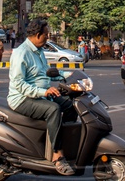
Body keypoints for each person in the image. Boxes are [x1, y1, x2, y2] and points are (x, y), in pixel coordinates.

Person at [7, 18, 75, 176]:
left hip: (41, 93)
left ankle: (62, 141)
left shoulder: (40, 52)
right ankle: (57, 155)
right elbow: (18, 84)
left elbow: (47, 72)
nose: (48, 37)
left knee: (71, 105)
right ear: (38, 35)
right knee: (53, 109)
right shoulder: (21, 53)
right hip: (22, 99)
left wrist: (69, 76)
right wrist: (43, 92)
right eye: (46, 35)